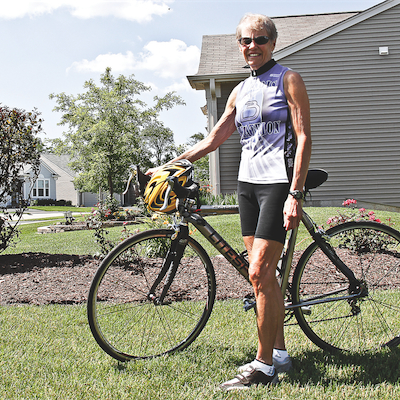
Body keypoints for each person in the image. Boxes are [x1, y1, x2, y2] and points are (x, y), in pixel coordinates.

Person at [147, 14, 311, 390]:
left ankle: (263, 366)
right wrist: (169, 164)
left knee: (257, 273)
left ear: (272, 42)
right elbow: (214, 139)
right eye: (245, 41)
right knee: (261, 277)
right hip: (248, 186)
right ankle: (281, 355)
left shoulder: (289, 79)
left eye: (260, 39)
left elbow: (303, 138)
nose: (252, 46)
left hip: (278, 184)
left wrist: (295, 194)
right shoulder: (239, 91)